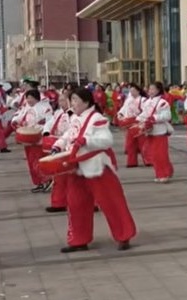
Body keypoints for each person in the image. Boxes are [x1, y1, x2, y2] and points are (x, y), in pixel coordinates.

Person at [51, 87, 137, 252]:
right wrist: (58, 145)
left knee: (111, 202)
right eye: (71, 100)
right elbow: (68, 135)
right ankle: (78, 240)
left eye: (75, 100)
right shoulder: (75, 118)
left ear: (86, 101)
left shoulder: (97, 118)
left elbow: (106, 140)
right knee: (76, 205)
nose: (72, 103)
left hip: (96, 167)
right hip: (75, 167)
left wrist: (87, 141)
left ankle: (124, 235)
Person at [14, 89, 50, 193]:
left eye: (31, 98)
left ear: (36, 98)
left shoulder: (45, 107)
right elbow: (19, 117)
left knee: (38, 161)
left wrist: (37, 127)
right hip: (27, 139)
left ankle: (46, 181)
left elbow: (49, 123)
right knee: (31, 162)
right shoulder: (26, 108)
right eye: (27, 98)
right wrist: (16, 122)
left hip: (38, 139)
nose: (29, 100)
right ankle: (38, 182)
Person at [43, 93, 73, 212]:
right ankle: (58, 203)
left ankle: (92, 203)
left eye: (64, 100)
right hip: (59, 145)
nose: (62, 103)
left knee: (80, 178)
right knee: (59, 176)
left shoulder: (74, 114)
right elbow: (50, 123)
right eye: (60, 100)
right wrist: (46, 131)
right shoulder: (58, 113)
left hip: (71, 147)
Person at [139, 81, 174, 182]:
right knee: (154, 155)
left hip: (160, 131)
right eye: (149, 89)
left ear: (158, 90)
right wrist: (138, 120)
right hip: (149, 131)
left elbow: (167, 116)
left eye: (153, 89)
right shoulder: (146, 102)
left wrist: (154, 118)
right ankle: (161, 173)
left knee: (161, 154)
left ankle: (164, 174)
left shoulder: (163, 102)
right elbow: (144, 114)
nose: (150, 91)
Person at [117, 83, 145, 168]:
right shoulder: (128, 100)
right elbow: (123, 108)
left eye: (133, 90)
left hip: (139, 122)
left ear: (138, 91)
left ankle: (148, 160)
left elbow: (146, 111)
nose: (132, 92)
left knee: (142, 143)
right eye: (131, 91)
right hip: (129, 123)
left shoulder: (143, 100)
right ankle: (131, 162)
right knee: (130, 144)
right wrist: (120, 114)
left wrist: (141, 118)